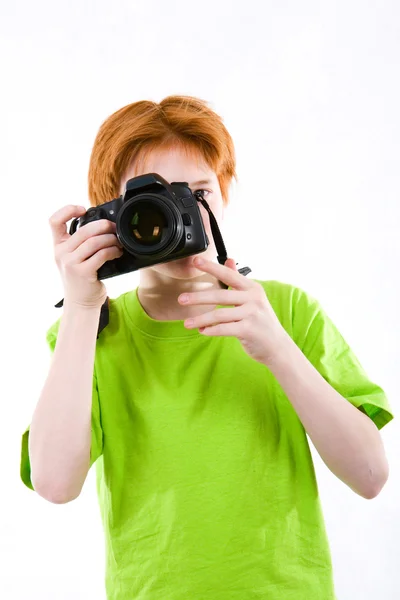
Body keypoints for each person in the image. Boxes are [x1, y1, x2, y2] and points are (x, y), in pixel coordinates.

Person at [20, 95, 393, 600]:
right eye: (152, 203)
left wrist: (278, 350)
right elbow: (55, 485)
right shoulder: (91, 333)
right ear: (110, 216)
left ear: (225, 195)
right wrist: (83, 308)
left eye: (198, 192)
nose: (179, 216)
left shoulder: (286, 310)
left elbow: (371, 476)